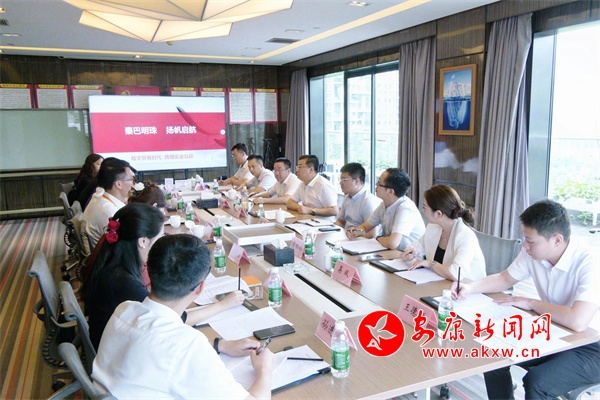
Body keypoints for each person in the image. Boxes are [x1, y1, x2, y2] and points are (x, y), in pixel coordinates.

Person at [92, 234, 274, 399]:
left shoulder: (125, 309)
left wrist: (221, 345)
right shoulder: (187, 346)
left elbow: (165, 348)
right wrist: (264, 369)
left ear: (149, 274)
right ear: (200, 288)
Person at [451, 199, 600, 400]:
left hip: (592, 347)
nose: (526, 246)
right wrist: (470, 287)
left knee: (538, 382)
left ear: (557, 240)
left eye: (531, 241)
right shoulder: (532, 252)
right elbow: (505, 279)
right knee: (492, 352)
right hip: (557, 331)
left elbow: (578, 321)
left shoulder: (590, 261)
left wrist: (531, 303)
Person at [82, 203, 244, 351]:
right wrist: (223, 305)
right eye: (161, 236)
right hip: (121, 351)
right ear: (143, 241)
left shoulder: (117, 261)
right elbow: (175, 319)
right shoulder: (123, 282)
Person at [401, 184, 485, 281]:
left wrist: (430, 264)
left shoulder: (465, 236)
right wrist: (410, 253)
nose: (423, 211)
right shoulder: (433, 227)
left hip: (466, 286)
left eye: (425, 208)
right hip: (440, 283)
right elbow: (416, 246)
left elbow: (455, 274)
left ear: (438, 214)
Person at [347, 168, 425, 250]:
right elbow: (365, 227)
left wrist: (378, 238)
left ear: (390, 191)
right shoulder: (384, 205)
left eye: (379, 183)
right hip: (393, 252)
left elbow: (392, 243)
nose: (376, 184)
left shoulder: (406, 208)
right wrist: (355, 232)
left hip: (410, 255)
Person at [81, 157, 136, 249]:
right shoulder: (109, 212)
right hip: (108, 256)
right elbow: (126, 246)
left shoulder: (101, 197)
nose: (134, 184)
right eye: (131, 179)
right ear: (118, 184)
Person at [335, 162, 381, 237]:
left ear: (356, 181)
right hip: (348, 237)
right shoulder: (347, 197)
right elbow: (340, 221)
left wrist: (355, 233)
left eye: (344, 180)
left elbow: (372, 233)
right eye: (341, 179)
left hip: (361, 240)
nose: (341, 183)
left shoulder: (368, 202)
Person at [286, 155, 339, 221]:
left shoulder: (323, 185)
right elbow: (289, 203)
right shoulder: (303, 183)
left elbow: (334, 210)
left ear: (311, 169)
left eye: (300, 167)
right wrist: (300, 208)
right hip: (308, 221)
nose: (297, 170)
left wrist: (311, 210)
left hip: (324, 224)